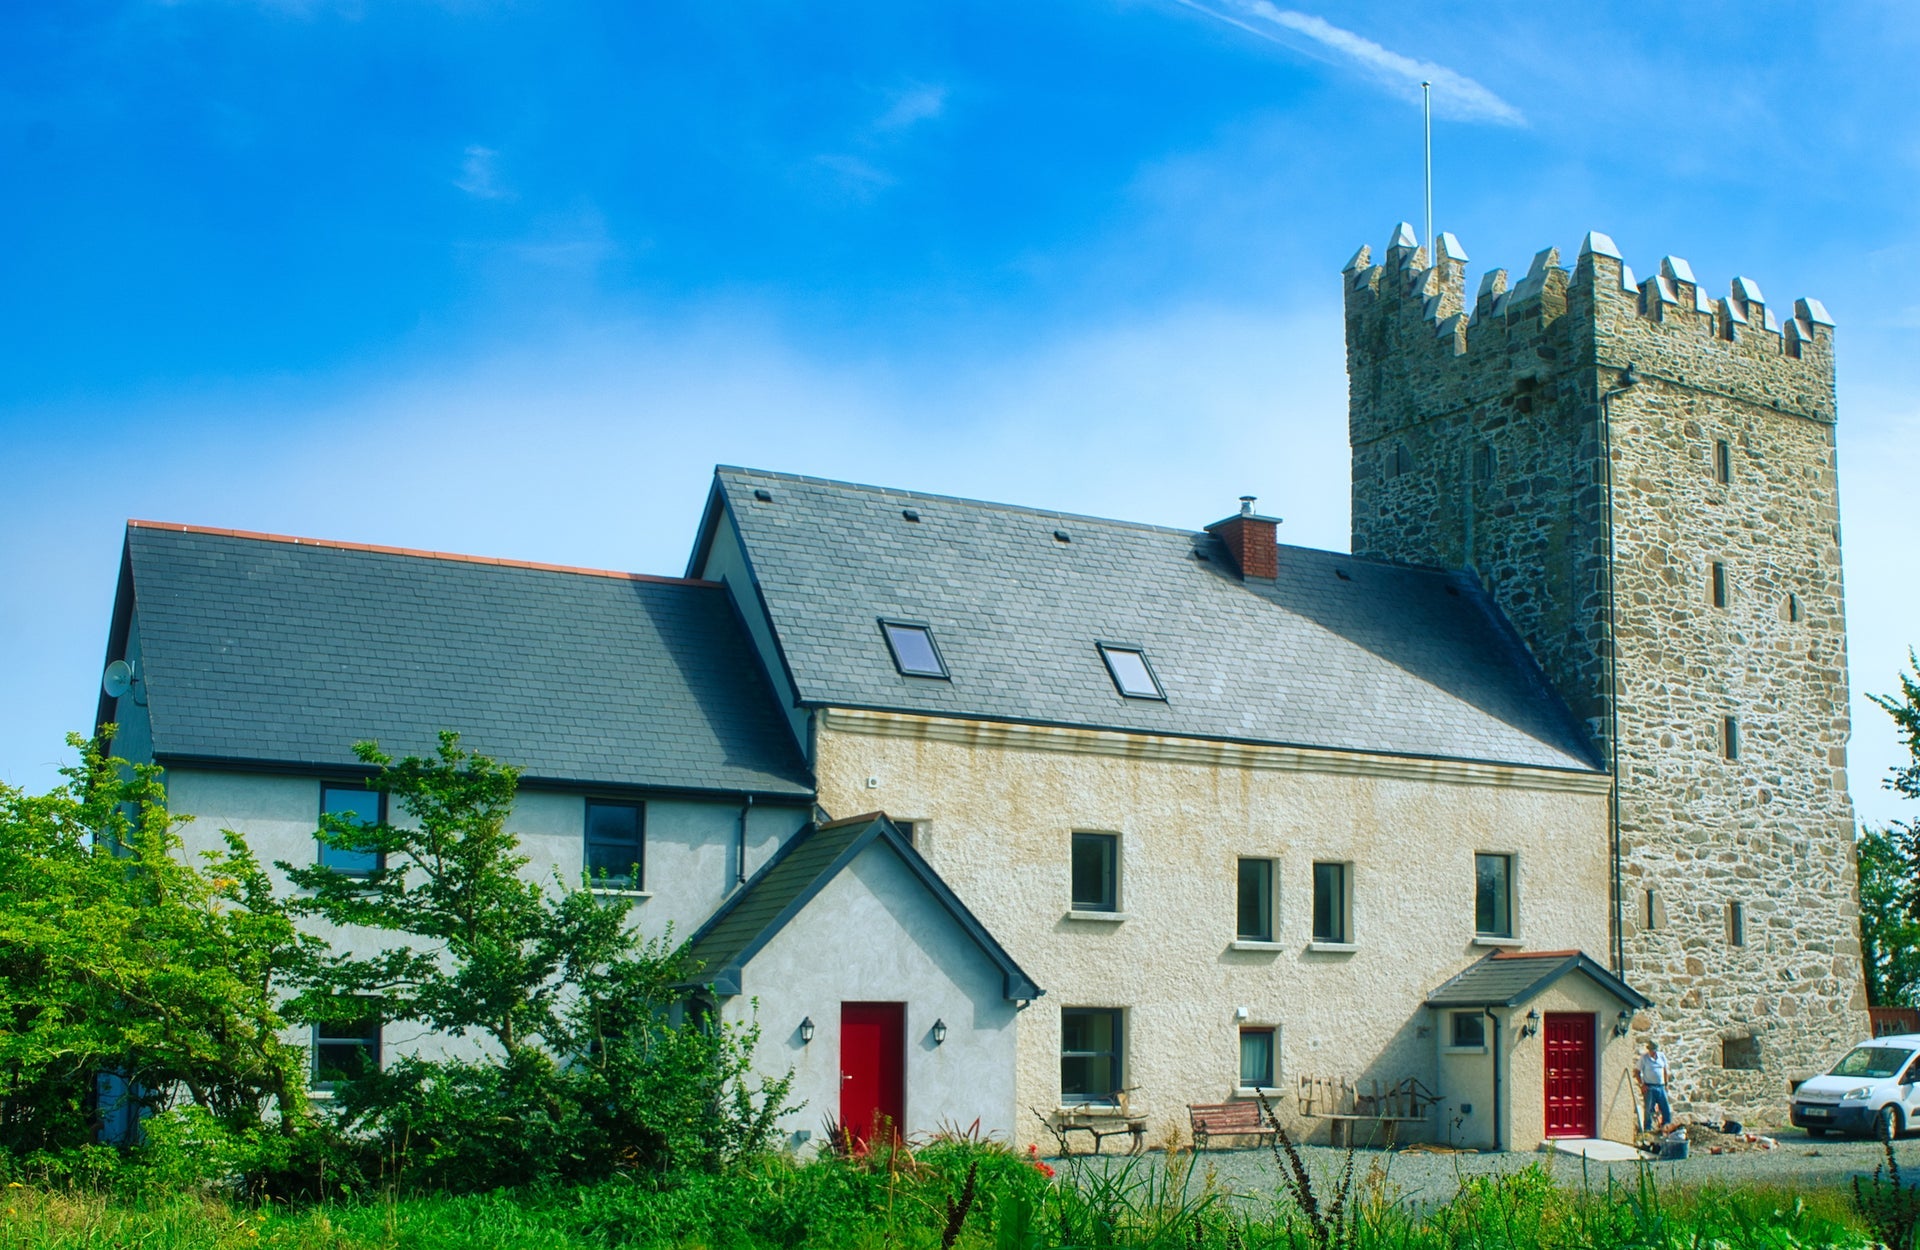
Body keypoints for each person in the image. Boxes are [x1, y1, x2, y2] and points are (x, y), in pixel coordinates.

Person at [1637, 1039, 1673, 1131]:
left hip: (1660, 1086)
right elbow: (1636, 1072)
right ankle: (1648, 1128)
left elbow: (1665, 1070)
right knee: (1649, 1109)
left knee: (1665, 1107)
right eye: (1652, 1050)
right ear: (1649, 1049)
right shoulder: (1644, 1058)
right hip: (1649, 1086)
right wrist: (1642, 1085)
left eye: (1655, 1050)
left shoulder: (1661, 1056)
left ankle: (1666, 1126)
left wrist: (1666, 1084)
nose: (1653, 1052)